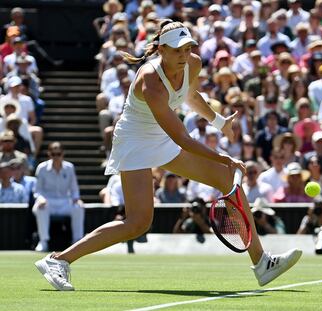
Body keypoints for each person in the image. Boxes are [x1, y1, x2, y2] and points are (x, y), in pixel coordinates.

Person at [35, 20, 301, 291]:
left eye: (187, 48)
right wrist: (225, 158)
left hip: (161, 134)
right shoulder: (150, 80)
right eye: (177, 50)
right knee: (137, 223)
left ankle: (262, 263)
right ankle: (58, 260)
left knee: (225, 179)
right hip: (135, 140)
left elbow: (190, 95)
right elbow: (182, 139)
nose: (184, 55)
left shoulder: (193, 63)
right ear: (161, 49)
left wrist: (219, 121)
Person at [32, 142, 85, 252]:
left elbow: (74, 188)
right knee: (40, 208)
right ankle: (43, 241)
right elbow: (38, 190)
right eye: (53, 154)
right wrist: (41, 199)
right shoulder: (41, 168)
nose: (56, 157)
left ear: (63, 154)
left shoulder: (69, 167)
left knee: (79, 207)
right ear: (49, 154)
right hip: (48, 202)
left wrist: (76, 198)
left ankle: (77, 241)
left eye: (58, 154)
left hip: (65, 202)